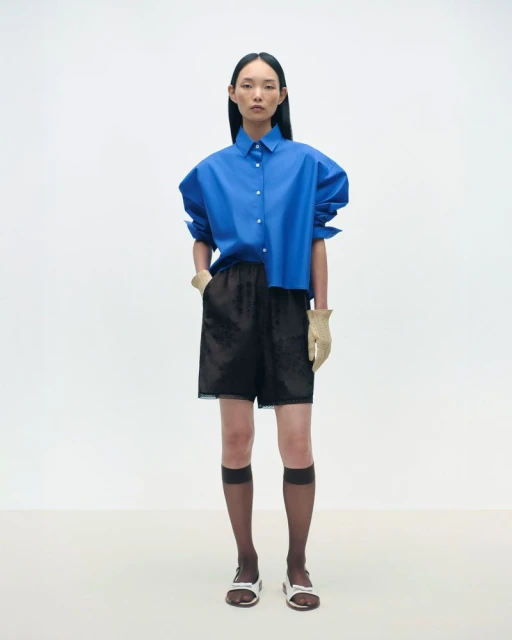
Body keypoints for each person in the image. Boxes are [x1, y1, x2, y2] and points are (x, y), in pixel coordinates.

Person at [178, 52, 349, 611]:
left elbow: (316, 239)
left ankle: (297, 564)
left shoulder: (307, 164)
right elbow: (201, 232)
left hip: (288, 300)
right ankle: (246, 561)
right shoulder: (210, 171)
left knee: (296, 442)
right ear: (232, 93)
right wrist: (206, 281)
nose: (257, 94)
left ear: (282, 95)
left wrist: (320, 314)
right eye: (247, 85)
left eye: (268, 85)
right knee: (236, 440)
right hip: (231, 303)